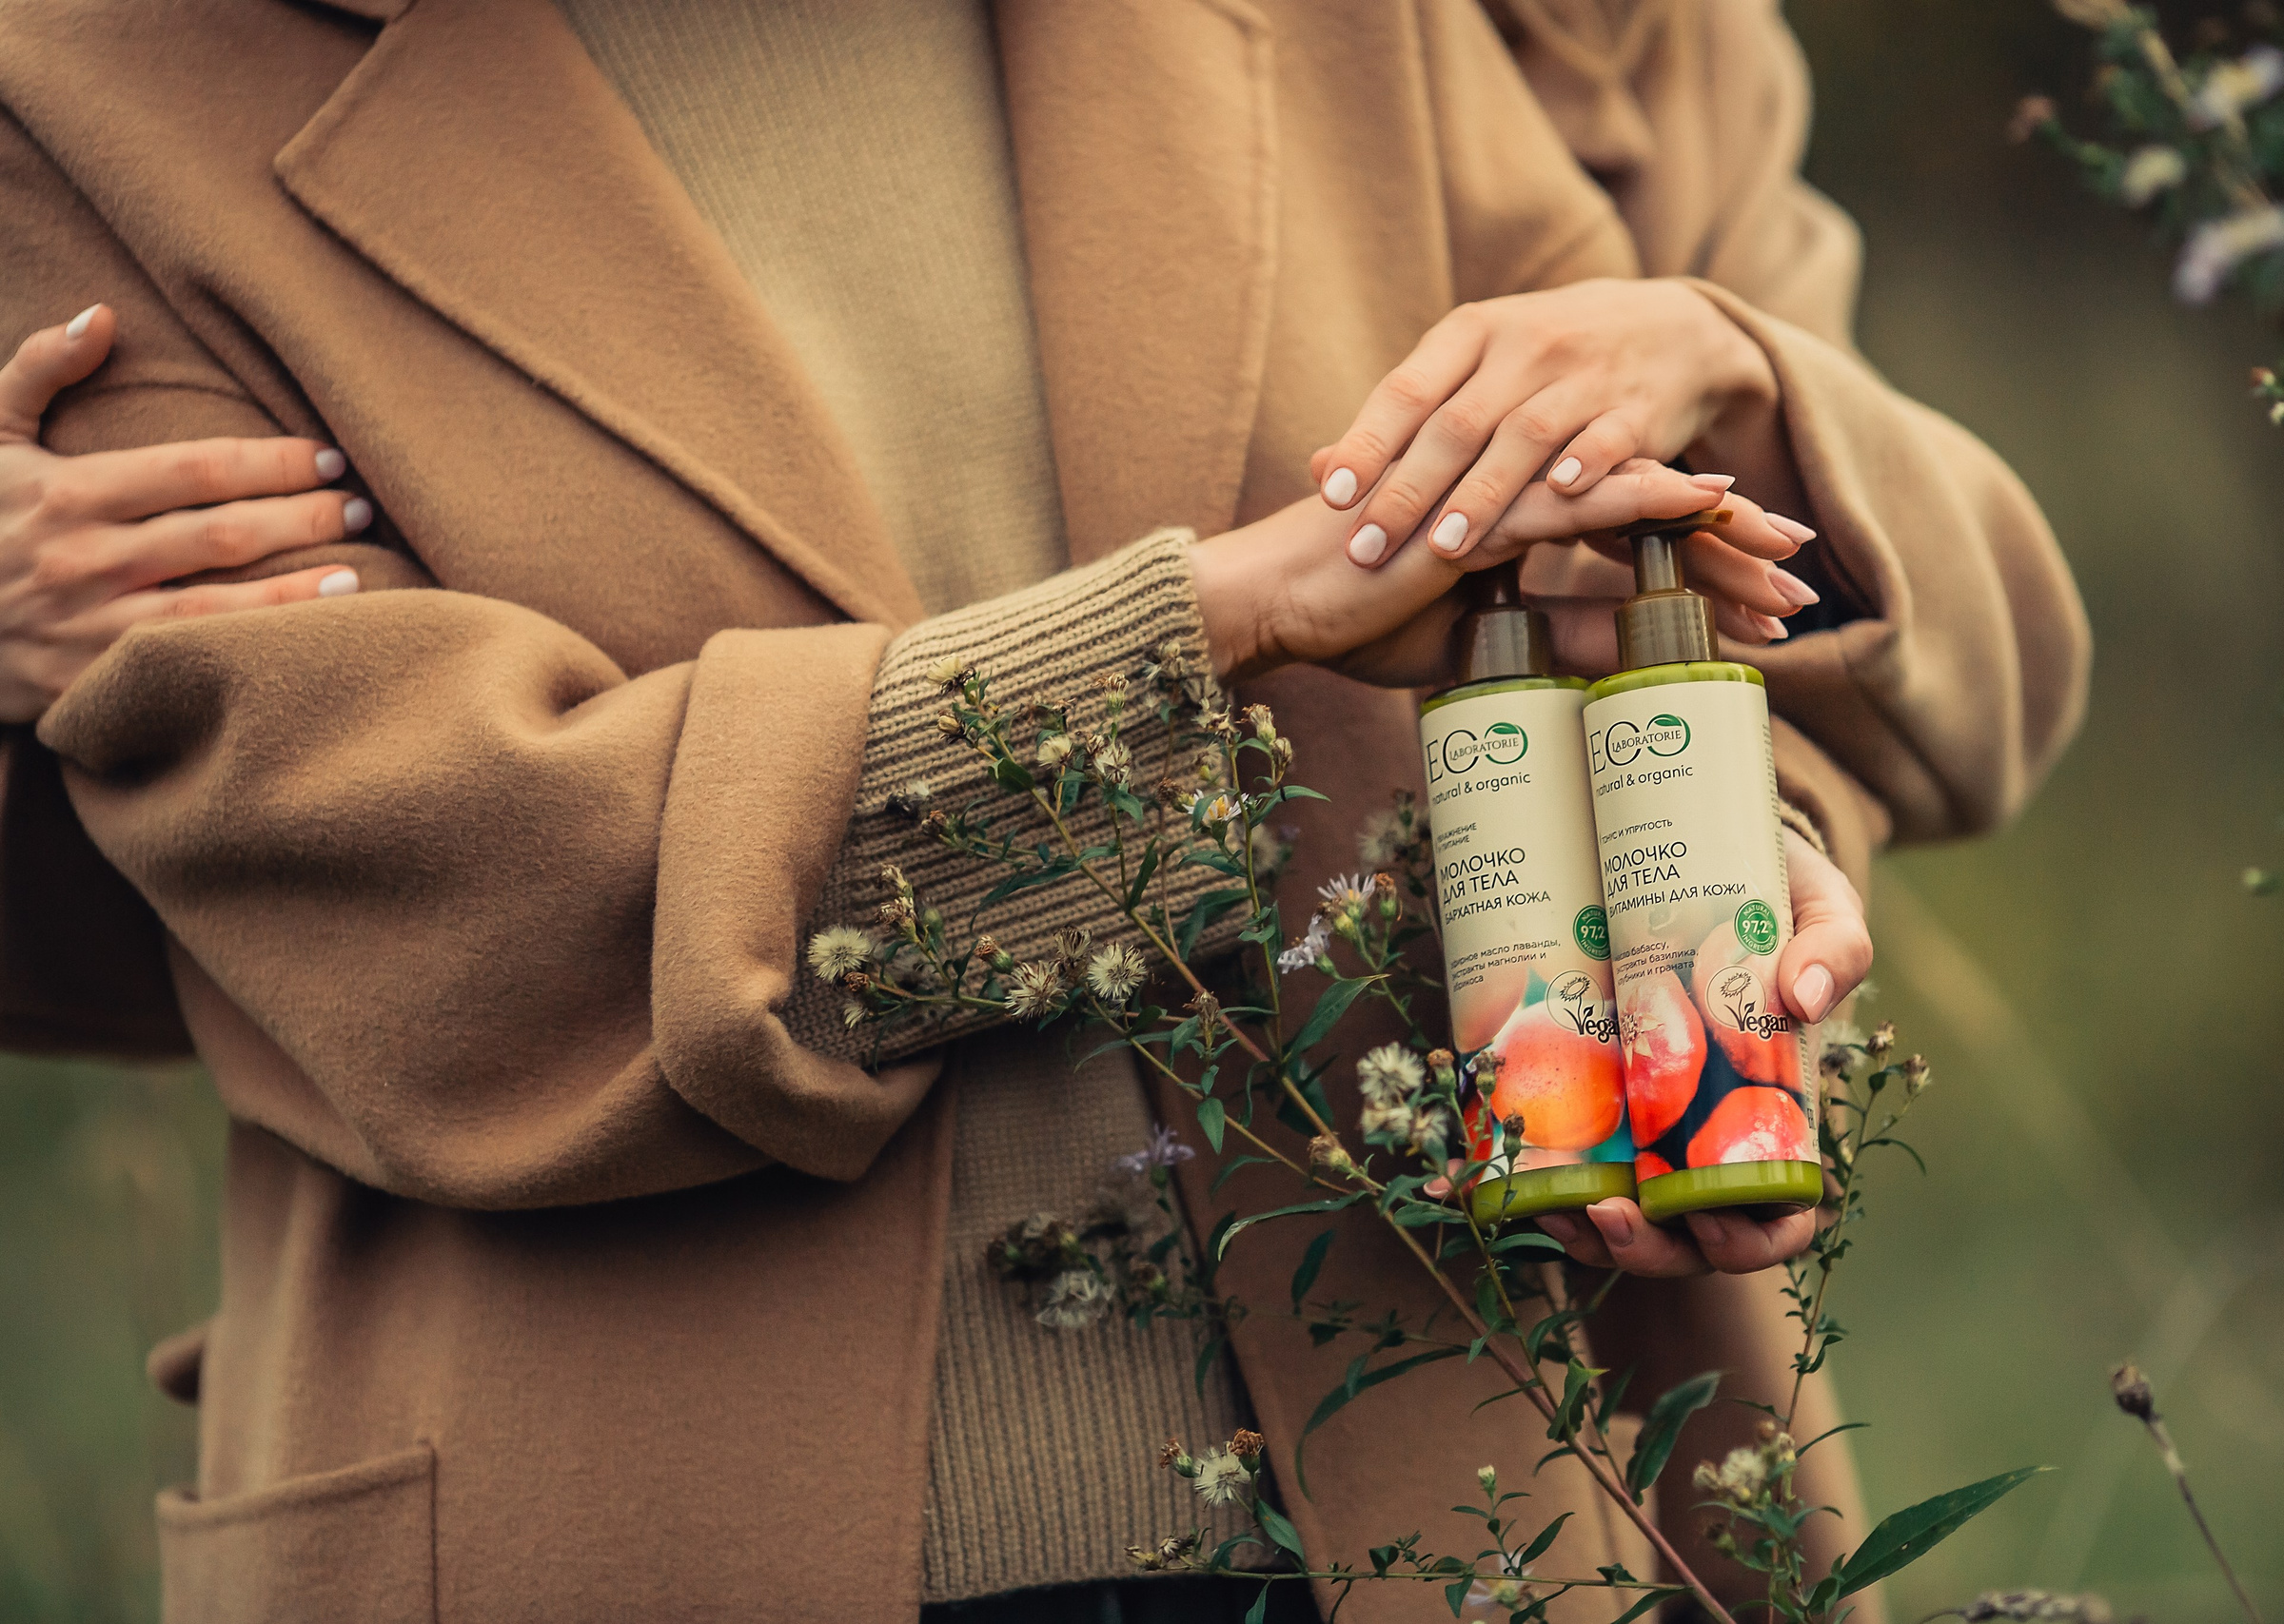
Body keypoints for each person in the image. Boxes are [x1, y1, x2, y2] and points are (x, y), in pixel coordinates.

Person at [0, 1, 2086, 1620]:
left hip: (1456, 1499)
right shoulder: (86, 90)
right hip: (620, 1520)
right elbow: (408, 898)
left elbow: (1624, 553)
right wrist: (1208, 630)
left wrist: (1739, 868)